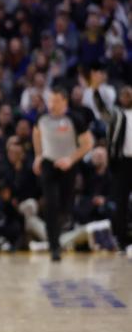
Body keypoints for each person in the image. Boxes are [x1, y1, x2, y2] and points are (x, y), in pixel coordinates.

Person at [33, 85, 94, 261]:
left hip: (68, 166)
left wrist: (71, 159)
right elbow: (36, 133)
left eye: (56, 101)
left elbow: (88, 143)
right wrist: (38, 155)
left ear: (64, 101)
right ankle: (54, 247)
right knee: (50, 204)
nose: (52, 104)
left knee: (65, 207)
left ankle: (57, 236)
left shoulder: (75, 118)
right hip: (48, 164)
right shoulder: (42, 117)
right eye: (50, 100)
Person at [101, 85, 132, 255]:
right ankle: (121, 240)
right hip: (122, 163)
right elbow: (101, 111)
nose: (127, 97)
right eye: (124, 95)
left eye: (129, 94)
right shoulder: (116, 115)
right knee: (120, 203)